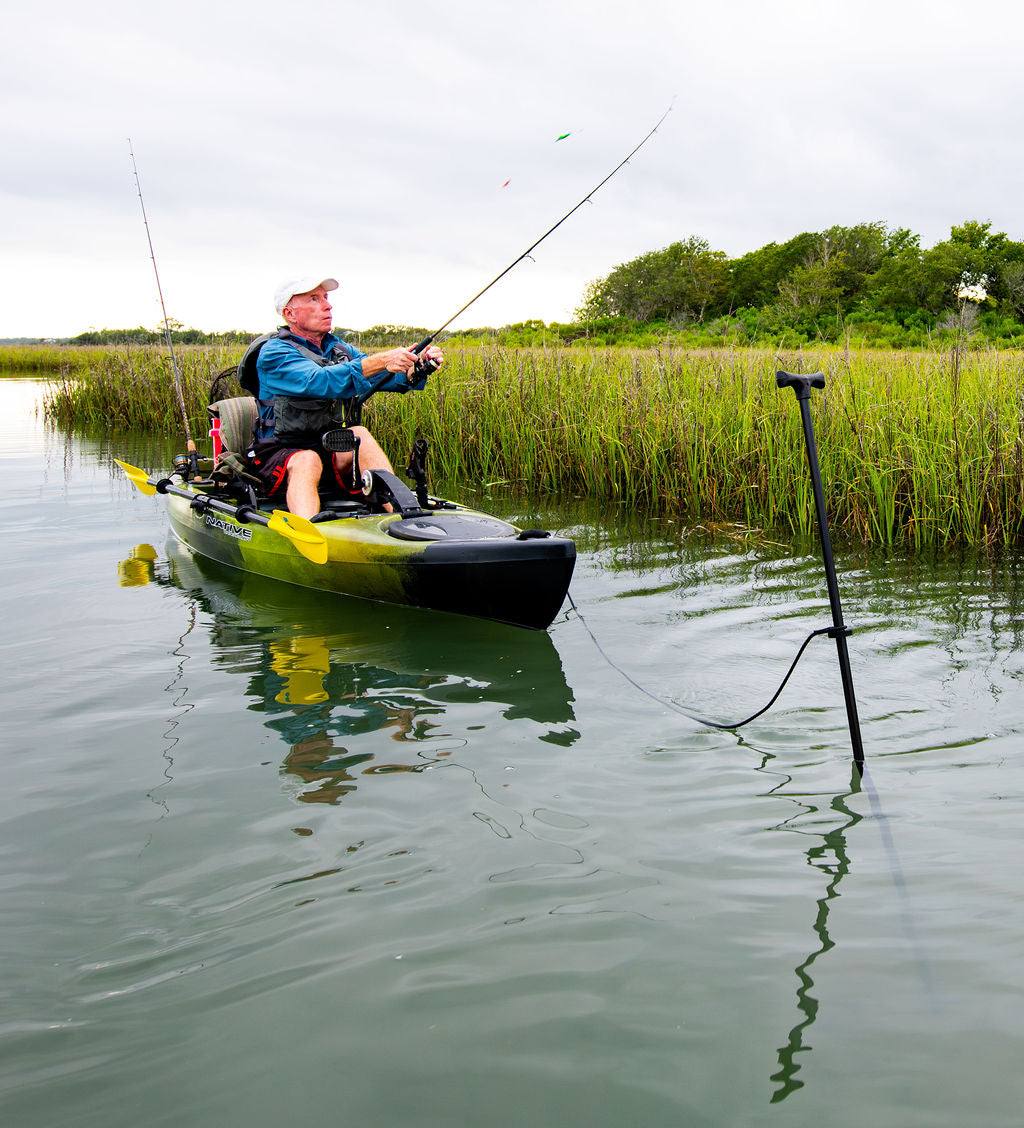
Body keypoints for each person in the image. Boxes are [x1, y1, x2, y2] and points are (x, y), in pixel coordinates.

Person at [250, 275, 442, 518]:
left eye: (326, 298)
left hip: (331, 449)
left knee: (358, 433)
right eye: (314, 298)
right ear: (290, 314)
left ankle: (402, 515)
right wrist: (383, 359)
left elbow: (382, 377)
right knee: (307, 460)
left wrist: (416, 368)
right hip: (280, 455)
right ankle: (308, 531)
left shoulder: (340, 349)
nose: (327, 305)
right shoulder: (274, 353)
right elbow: (319, 381)